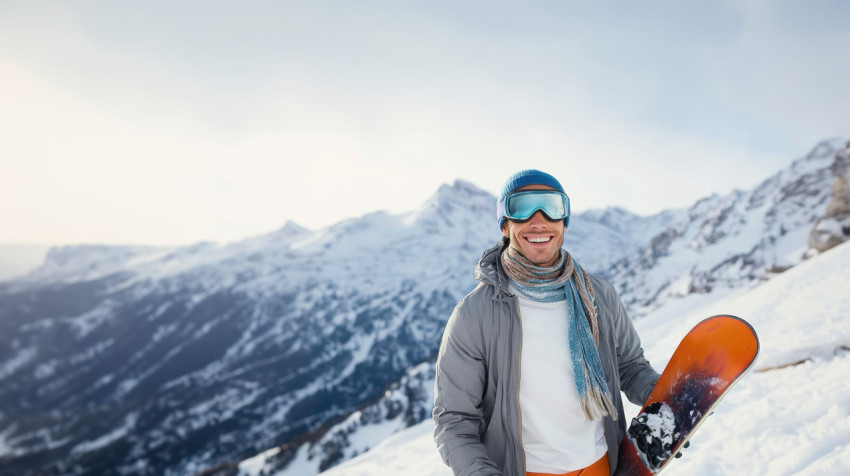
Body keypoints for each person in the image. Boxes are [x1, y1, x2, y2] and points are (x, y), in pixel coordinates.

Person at [433, 169, 660, 476]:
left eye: (551, 208)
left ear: (564, 221)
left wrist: (665, 404)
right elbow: (455, 419)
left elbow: (630, 367)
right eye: (521, 208)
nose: (538, 220)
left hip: (602, 465)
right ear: (505, 223)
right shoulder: (475, 314)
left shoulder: (599, 296)